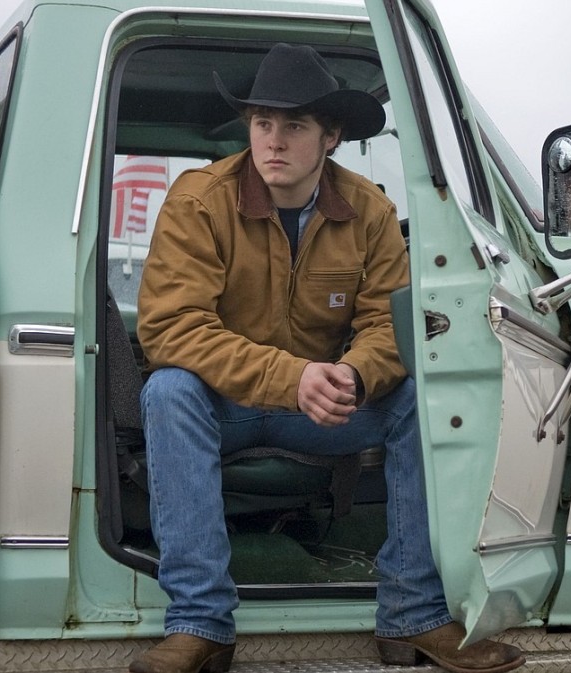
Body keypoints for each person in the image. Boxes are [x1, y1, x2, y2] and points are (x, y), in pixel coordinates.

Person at [130, 43, 526, 673]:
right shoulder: (199, 200)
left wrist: (353, 373)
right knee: (168, 390)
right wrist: (293, 378)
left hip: (324, 408)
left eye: (294, 126)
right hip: (225, 405)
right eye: (263, 123)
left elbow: (389, 327)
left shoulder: (369, 211)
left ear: (331, 135)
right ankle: (201, 622)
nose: (273, 141)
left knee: (426, 393)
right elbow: (171, 327)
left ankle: (414, 612)